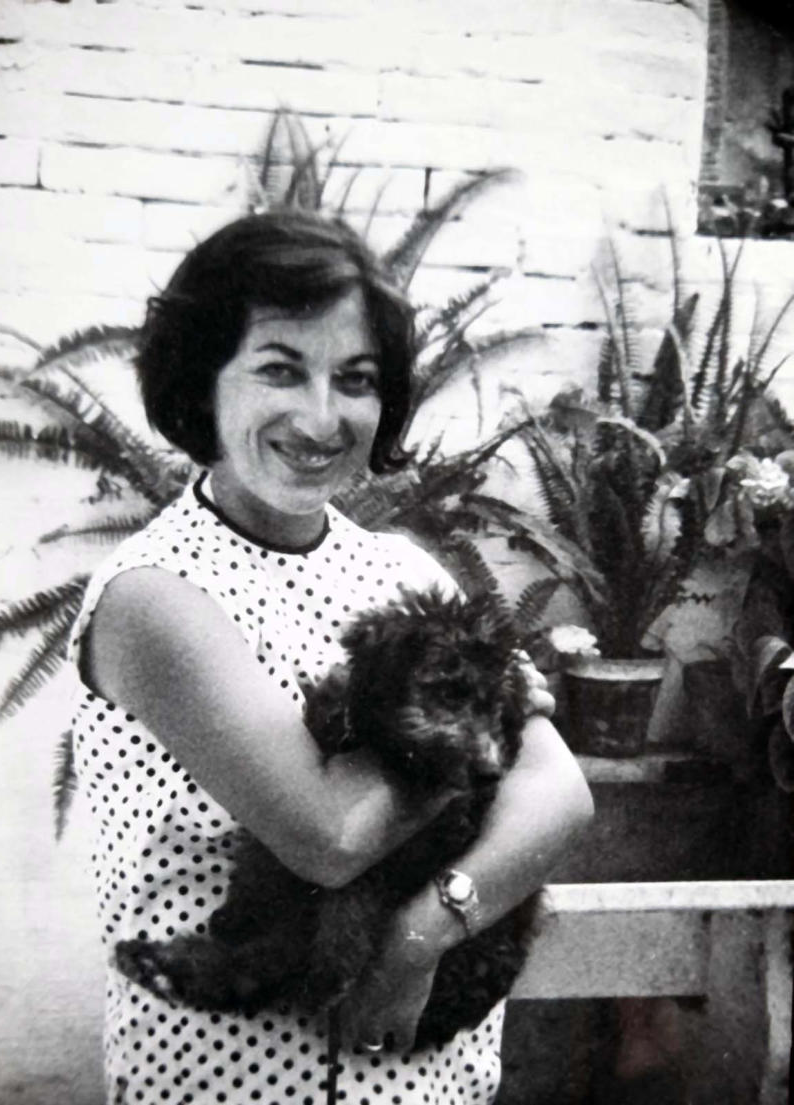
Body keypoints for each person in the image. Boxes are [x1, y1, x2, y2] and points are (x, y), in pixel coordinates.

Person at [67, 209, 593, 1105]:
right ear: (204, 376)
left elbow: (560, 794)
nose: (321, 417)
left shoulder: (406, 572)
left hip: (430, 1084)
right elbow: (328, 836)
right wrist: (484, 725)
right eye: (280, 369)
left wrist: (422, 934)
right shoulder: (155, 595)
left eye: (355, 380)